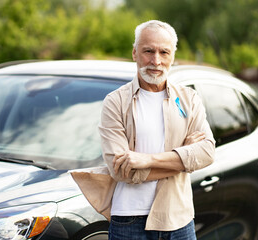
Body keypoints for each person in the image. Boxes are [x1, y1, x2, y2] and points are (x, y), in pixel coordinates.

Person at [71, 20, 215, 240]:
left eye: (163, 52)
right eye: (148, 51)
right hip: (129, 222)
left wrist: (146, 160)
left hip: (178, 219)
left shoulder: (189, 99)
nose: (156, 61)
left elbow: (206, 153)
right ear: (135, 53)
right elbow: (120, 170)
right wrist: (183, 159)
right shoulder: (115, 102)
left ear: (172, 57)